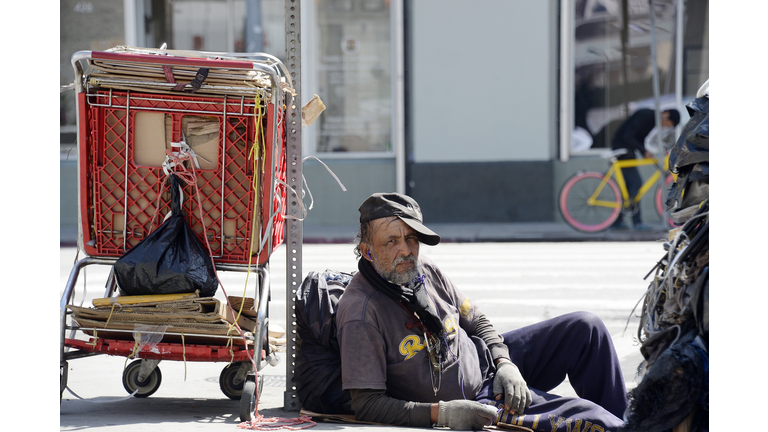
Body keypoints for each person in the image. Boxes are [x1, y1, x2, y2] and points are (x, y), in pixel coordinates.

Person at [336, 192, 628, 431]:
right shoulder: (361, 311)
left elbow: (476, 320)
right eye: (392, 241)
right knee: (595, 421)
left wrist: (504, 361)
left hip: (485, 363)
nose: (406, 250)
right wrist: (443, 414)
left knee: (587, 328)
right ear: (367, 251)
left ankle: (630, 423)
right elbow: (367, 404)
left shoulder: (422, 270)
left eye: (412, 239)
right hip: (474, 400)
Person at [610, 108, 681, 230]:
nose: (665, 127)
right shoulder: (647, 116)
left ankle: (617, 222)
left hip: (626, 149)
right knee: (636, 183)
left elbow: (638, 137)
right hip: (622, 149)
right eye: (667, 124)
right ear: (666, 115)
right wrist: (644, 151)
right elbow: (628, 136)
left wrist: (644, 152)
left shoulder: (651, 119)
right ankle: (636, 222)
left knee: (629, 187)